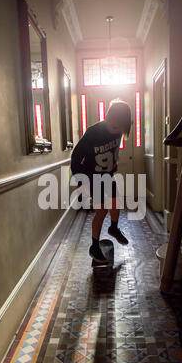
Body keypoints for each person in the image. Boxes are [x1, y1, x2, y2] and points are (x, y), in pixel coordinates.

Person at [71, 99, 132, 263]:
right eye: (113, 126)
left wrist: (114, 162)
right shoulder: (93, 133)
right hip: (92, 177)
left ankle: (113, 228)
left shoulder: (118, 130)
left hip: (107, 174)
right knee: (102, 210)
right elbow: (76, 157)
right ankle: (94, 245)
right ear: (107, 117)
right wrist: (81, 181)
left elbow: (113, 147)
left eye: (119, 128)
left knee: (116, 202)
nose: (116, 131)